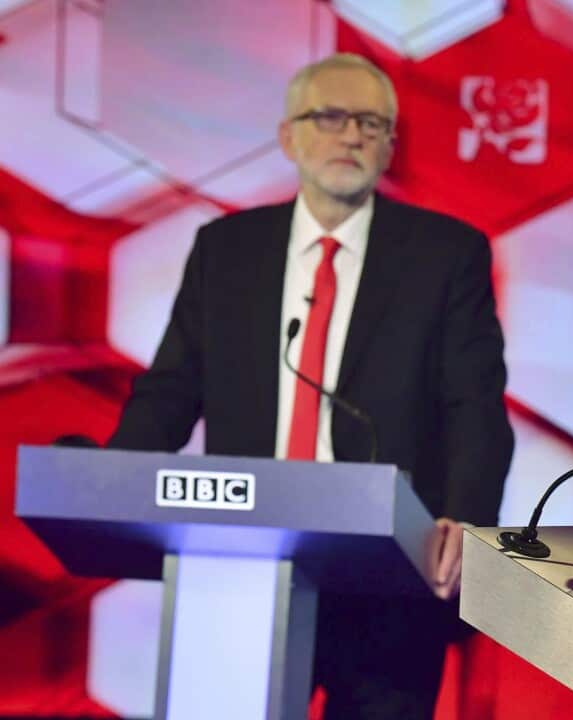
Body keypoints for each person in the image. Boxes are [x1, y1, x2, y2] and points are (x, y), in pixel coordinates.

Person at [108, 53, 514, 718]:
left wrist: (466, 520)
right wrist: (113, 485)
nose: (352, 135)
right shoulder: (226, 251)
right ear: (288, 136)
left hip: (387, 579)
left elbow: (475, 407)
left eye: (371, 124)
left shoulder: (445, 254)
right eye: (330, 117)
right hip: (239, 568)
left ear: (389, 147)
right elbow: (171, 392)